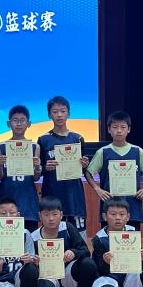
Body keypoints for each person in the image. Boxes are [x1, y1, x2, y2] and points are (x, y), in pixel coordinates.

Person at [29, 195, 97, 287]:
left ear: (61, 215)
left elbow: (85, 251)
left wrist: (73, 252)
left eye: (54, 214)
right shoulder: (33, 237)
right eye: (46, 215)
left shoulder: (68, 228)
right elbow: (29, 266)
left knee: (88, 264)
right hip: (48, 276)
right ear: (39, 216)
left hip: (68, 274)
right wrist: (35, 262)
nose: (51, 219)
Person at [86, 111, 143, 229]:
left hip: (132, 205)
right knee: (109, 238)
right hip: (110, 205)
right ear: (109, 129)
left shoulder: (137, 151)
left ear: (129, 129)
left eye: (123, 127)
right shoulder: (102, 152)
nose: (119, 130)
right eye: (115, 127)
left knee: (132, 239)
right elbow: (88, 173)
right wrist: (97, 189)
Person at [37, 96, 89, 231]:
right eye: (55, 112)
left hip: (74, 196)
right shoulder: (43, 140)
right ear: (49, 115)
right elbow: (37, 170)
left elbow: (83, 169)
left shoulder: (78, 138)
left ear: (68, 113)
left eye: (63, 111)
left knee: (78, 236)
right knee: (53, 235)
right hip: (52, 195)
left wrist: (84, 165)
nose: (59, 115)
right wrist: (45, 167)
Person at [0, 105, 42, 233]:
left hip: (28, 199)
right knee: (7, 237)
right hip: (7, 197)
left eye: (22, 120)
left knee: (29, 238)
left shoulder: (35, 147)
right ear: (8, 123)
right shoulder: (1, 146)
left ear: (29, 124)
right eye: (15, 120)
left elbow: (36, 177)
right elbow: (0, 177)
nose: (19, 124)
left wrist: (37, 166)